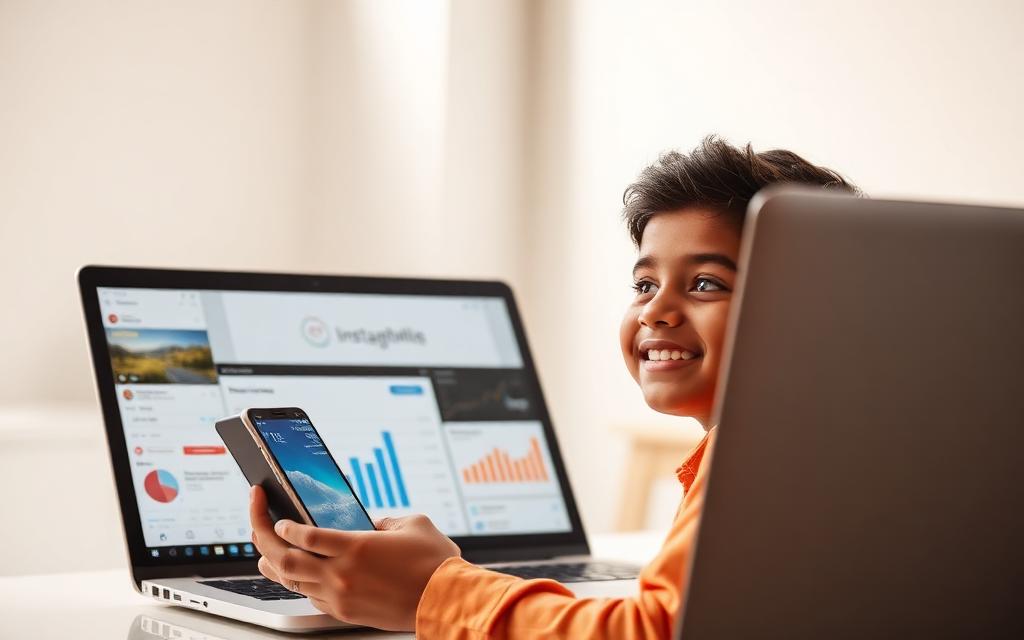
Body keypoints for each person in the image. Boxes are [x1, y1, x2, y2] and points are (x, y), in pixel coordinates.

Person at [249, 136, 859, 638]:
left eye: (704, 284)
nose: (656, 311)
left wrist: (432, 591)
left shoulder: (762, 456)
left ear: (804, 307)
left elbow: (656, 632)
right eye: (644, 284)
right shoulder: (824, 447)